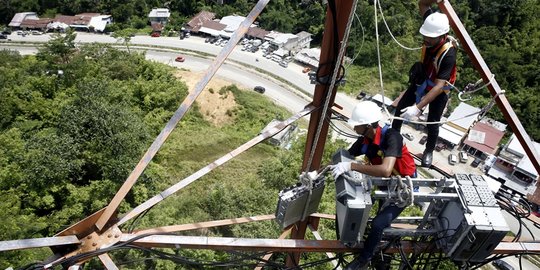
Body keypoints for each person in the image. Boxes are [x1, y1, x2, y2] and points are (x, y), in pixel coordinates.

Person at [331, 101, 417, 269]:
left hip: (404, 189)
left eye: (357, 126)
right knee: (374, 221)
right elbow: (344, 158)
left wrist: (351, 166)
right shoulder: (365, 141)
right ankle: (380, 253)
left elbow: (386, 170)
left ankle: (365, 259)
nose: (354, 128)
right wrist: (317, 172)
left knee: (378, 223)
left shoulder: (392, 137)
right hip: (386, 187)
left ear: (368, 126)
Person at [392, 0, 458, 167]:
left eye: (430, 37)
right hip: (422, 80)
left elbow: (438, 86)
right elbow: (422, 4)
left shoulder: (448, 54)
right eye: (425, 35)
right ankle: (394, 140)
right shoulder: (432, 25)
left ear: (441, 36)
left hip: (439, 90)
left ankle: (428, 150)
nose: (426, 39)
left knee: (433, 123)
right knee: (400, 109)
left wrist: (418, 107)